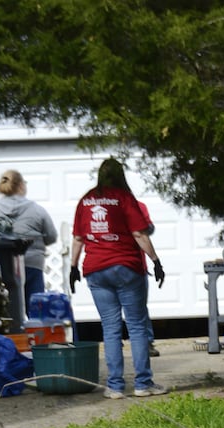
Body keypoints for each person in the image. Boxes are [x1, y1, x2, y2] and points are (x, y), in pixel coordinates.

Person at [69, 157, 167, 399]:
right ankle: (143, 384)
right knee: (136, 326)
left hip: (95, 269)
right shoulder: (124, 198)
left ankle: (114, 387)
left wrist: (72, 266)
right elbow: (139, 234)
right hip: (126, 267)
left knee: (110, 328)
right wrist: (155, 260)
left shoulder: (86, 200)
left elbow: (78, 238)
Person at [0, 169, 58, 303]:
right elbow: (51, 237)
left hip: (2, 264)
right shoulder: (37, 209)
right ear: (21, 185)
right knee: (34, 306)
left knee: (5, 306)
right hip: (32, 264)